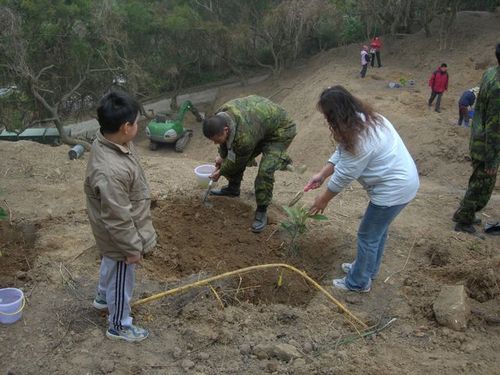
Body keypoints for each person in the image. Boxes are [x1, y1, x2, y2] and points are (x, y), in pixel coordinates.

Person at [306, 86, 419, 292]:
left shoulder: (361, 138)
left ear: (335, 115)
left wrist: (323, 199)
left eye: (327, 116)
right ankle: (367, 269)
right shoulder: (364, 120)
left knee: (367, 235)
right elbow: (342, 151)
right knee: (377, 232)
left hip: (394, 190)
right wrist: (322, 174)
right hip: (403, 182)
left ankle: (358, 282)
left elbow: (344, 175)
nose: (327, 121)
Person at [85, 91, 157, 342]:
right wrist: (132, 248)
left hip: (111, 236)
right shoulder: (110, 171)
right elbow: (117, 217)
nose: (138, 126)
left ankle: (103, 297)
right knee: (122, 274)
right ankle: (118, 325)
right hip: (119, 236)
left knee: (110, 262)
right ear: (126, 127)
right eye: (136, 122)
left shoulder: (112, 141)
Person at [203, 95, 297, 233]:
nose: (215, 143)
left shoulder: (243, 138)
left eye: (217, 139)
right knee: (233, 155)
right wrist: (222, 156)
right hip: (259, 127)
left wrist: (221, 171)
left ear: (226, 130)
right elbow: (226, 145)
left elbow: (236, 162)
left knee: (265, 171)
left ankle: (262, 210)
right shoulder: (221, 115)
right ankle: (233, 189)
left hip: (280, 131)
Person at [453, 43, 500, 234]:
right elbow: (495, 126)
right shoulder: (498, 87)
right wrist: (492, 159)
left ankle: (465, 214)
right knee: (482, 186)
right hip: (487, 145)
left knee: (477, 182)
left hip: (478, 138)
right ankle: (463, 220)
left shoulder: (491, 73)